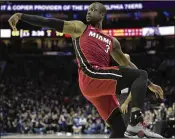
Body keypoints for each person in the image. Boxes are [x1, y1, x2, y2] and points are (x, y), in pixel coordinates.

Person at [8, 2, 164, 138]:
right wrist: (21, 16)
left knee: (119, 130)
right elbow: (49, 22)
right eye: (88, 9)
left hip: (97, 86)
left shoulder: (112, 41)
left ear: (102, 14)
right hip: (91, 75)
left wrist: (149, 84)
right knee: (141, 75)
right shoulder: (80, 28)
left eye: (93, 9)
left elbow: (127, 64)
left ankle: (132, 125)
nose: (89, 12)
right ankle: (137, 123)